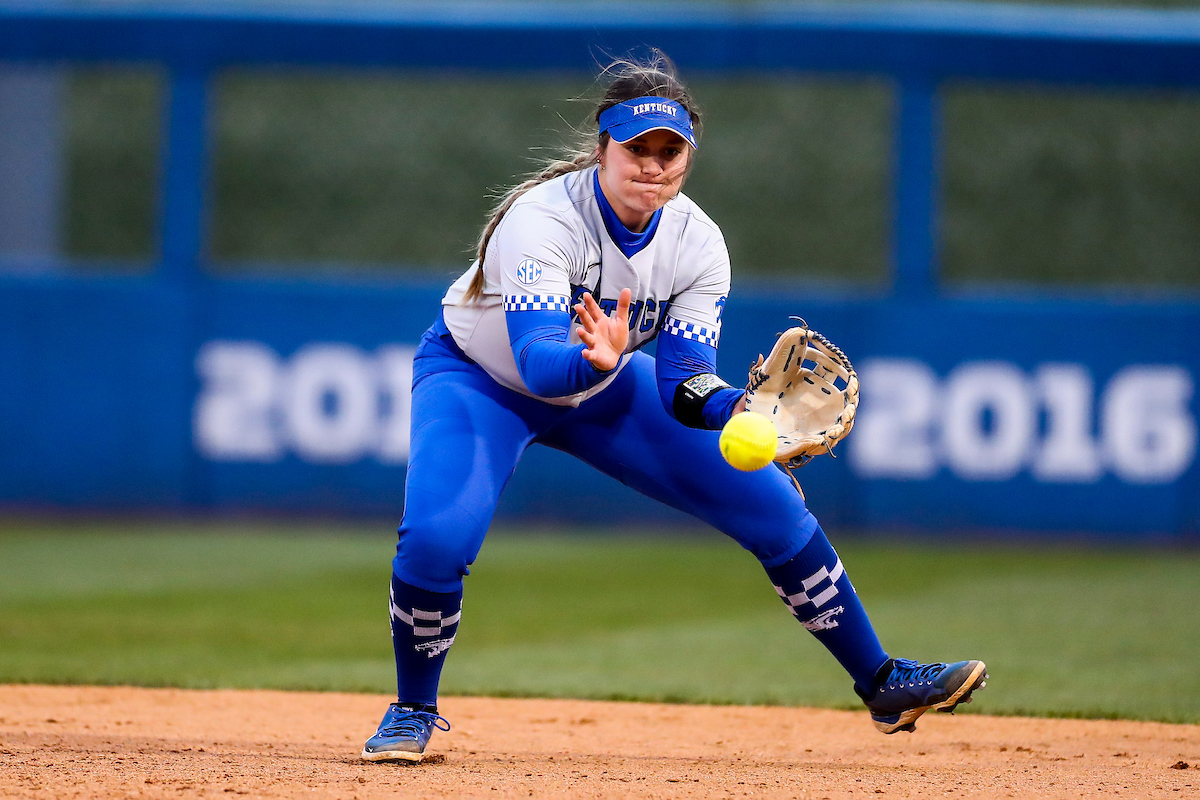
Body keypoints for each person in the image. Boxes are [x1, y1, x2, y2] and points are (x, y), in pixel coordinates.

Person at [361, 54, 986, 763]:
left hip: (605, 390)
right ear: (603, 149)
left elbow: (683, 382)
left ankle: (881, 682)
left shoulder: (698, 243)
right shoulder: (541, 220)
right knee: (438, 539)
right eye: (637, 149)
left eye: (670, 151)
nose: (653, 165)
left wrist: (741, 411)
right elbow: (537, 360)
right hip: (481, 380)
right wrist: (591, 358)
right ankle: (413, 709)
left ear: (687, 159)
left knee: (775, 505)